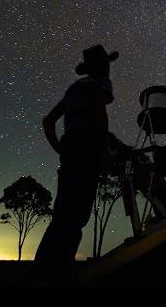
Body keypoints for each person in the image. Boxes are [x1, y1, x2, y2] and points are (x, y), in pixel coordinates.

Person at [34, 44, 118, 284]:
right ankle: (61, 273)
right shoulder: (99, 82)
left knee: (62, 215)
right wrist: (103, 152)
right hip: (87, 151)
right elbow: (101, 114)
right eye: (105, 64)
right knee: (77, 215)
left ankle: (43, 272)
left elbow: (48, 121)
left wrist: (60, 148)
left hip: (70, 152)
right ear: (100, 66)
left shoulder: (73, 88)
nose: (108, 69)